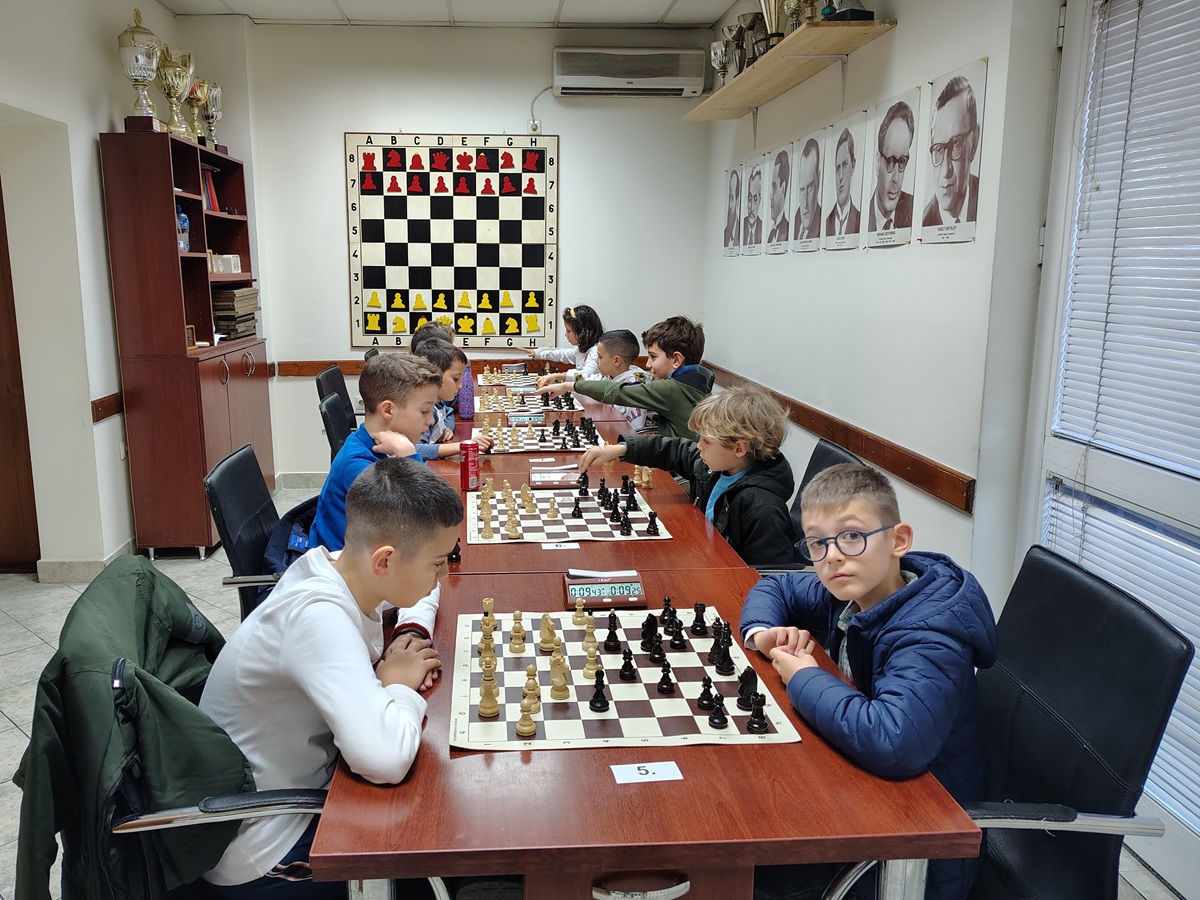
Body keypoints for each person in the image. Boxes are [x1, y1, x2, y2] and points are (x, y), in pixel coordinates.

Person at [200, 458, 462, 898]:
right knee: (437, 829)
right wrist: (398, 685)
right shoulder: (318, 619)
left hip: (307, 785)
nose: (444, 575)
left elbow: (421, 588)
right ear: (385, 561)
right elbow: (384, 760)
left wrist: (411, 630)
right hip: (267, 846)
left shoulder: (344, 567)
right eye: (438, 562)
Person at [740, 463, 998, 900]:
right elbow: (777, 587)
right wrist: (764, 632)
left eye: (852, 536)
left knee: (740, 867)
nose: (832, 557)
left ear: (898, 540)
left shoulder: (930, 636)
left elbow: (894, 741)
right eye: (817, 543)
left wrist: (805, 677)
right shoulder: (856, 589)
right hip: (868, 802)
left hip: (920, 853)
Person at [578, 385, 796, 567]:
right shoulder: (716, 467)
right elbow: (673, 449)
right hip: (701, 558)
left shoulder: (763, 510)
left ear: (739, 448)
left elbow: (772, 578)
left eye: (706, 441)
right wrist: (620, 449)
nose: (699, 446)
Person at [309, 352, 442, 552]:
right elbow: (429, 520)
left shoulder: (381, 449)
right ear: (388, 410)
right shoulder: (358, 467)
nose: (431, 420)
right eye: (424, 411)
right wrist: (410, 455)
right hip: (345, 568)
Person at [537, 316, 712, 441]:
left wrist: (569, 386)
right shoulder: (693, 381)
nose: (648, 364)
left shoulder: (671, 389)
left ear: (676, 360)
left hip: (681, 469)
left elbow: (618, 392)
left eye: (653, 357)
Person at [536, 328, 648, 431]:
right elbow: (589, 379)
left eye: (600, 357)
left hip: (625, 438)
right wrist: (560, 376)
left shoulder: (635, 385)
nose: (596, 361)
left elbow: (631, 425)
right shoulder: (611, 375)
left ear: (616, 361)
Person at [411, 338, 493, 459]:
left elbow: (448, 412)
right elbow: (414, 450)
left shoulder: (436, 405)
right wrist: (462, 446)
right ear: (434, 375)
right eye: (455, 379)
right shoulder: (421, 411)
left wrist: (445, 428)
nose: (460, 386)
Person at [923, 75, 980, 227]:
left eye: (955, 144)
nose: (945, 171)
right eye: (938, 149)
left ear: (974, 141)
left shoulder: (989, 200)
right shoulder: (924, 223)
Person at [523, 304, 604, 380]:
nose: (566, 335)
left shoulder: (596, 352)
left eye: (568, 331)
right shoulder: (580, 351)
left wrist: (562, 376)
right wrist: (537, 353)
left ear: (583, 332)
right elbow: (561, 354)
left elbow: (584, 377)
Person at [868, 100, 915, 232]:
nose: (896, 178)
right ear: (878, 161)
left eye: (902, 162)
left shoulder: (915, 211)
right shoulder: (860, 219)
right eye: (890, 161)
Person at [825, 128, 861, 238]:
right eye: (837, 168)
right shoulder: (826, 223)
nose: (840, 176)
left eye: (845, 165)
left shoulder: (860, 220)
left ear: (853, 165)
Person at [792, 139, 822, 241]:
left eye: (809, 188)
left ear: (818, 181)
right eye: (801, 190)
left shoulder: (822, 223)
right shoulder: (796, 219)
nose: (805, 204)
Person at [767, 149, 791, 244]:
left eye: (774, 187)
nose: (770, 196)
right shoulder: (771, 234)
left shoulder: (788, 231)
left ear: (783, 189)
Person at [742, 163, 764, 247]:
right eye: (749, 199)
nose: (751, 208)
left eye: (755, 199)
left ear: (760, 201)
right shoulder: (739, 228)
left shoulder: (763, 229)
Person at [724, 168, 741, 249]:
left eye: (732, 198)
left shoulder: (742, 232)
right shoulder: (725, 232)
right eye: (729, 199)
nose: (729, 205)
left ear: (737, 201)